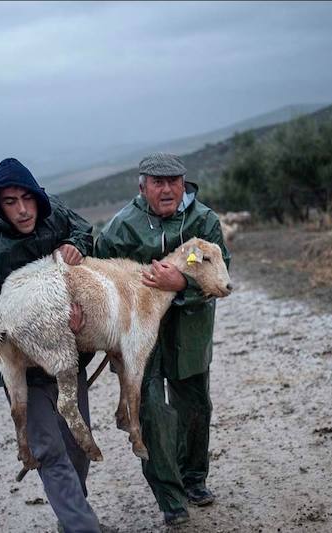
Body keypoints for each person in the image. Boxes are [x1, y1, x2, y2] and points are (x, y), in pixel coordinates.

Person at [0, 157, 101, 533]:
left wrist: (75, 245)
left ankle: (72, 516)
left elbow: (84, 231)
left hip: (68, 355)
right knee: (48, 449)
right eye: (10, 202)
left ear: (37, 195)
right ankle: (83, 527)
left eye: (27, 198)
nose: (22, 210)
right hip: (24, 365)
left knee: (77, 441)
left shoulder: (54, 213)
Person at [93, 152, 230, 526]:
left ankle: (194, 479)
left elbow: (221, 275)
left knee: (195, 407)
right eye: (158, 182)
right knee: (152, 412)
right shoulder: (122, 226)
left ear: (183, 184)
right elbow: (101, 274)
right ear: (143, 187)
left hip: (190, 329)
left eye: (173, 181)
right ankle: (170, 497)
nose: (167, 189)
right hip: (138, 338)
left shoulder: (204, 221)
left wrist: (182, 282)